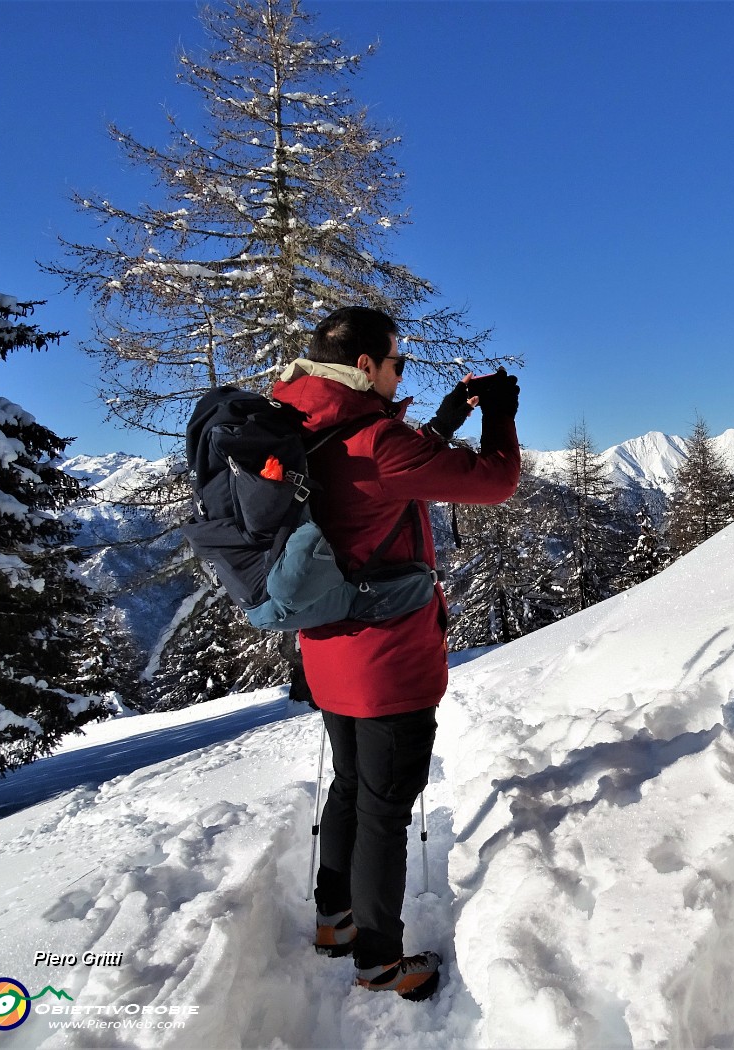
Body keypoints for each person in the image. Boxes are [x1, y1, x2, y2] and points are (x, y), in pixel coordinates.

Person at [272, 306, 520, 1000]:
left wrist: (442, 418)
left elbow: (383, 481)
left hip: (329, 651)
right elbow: (496, 482)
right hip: (387, 664)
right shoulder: (375, 440)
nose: (401, 370)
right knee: (385, 808)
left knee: (351, 786)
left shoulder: (308, 427)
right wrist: (498, 414)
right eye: (397, 362)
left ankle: (334, 918)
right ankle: (379, 960)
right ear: (364, 368)